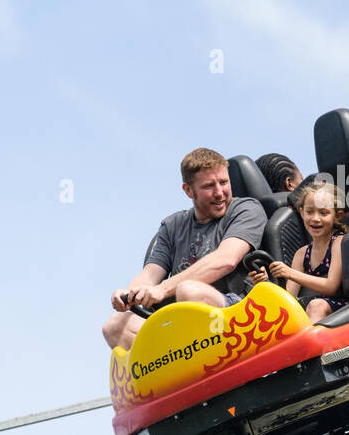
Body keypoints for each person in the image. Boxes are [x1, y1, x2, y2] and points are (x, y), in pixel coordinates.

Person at [103, 148, 267, 350]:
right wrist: (128, 294)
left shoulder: (247, 209)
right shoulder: (172, 225)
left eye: (224, 182)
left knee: (189, 291)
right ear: (189, 191)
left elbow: (227, 259)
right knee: (114, 326)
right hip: (182, 326)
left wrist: (162, 289)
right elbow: (150, 275)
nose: (219, 192)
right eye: (209, 186)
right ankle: (174, 372)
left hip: (236, 312)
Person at [249, 178, 347, 322]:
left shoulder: (339, 242)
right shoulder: (302, 254)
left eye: (324, 213)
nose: (315, 218)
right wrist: (265, 284)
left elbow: (331, 287)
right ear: (301, 212)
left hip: (344, 307)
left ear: (337, 216)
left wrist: (289, 273)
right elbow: (289, 299)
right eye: (309, 212)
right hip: (313, 310)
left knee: (316, 306)